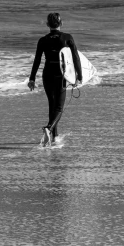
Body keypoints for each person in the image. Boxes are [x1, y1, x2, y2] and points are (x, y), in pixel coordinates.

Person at [28, 12, 82, 146]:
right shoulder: (67, 38)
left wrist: (32, 79)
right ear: (61, 23)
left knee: (52, 105)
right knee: (59, 107)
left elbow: (37, 60)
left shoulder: (43, 40)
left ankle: (54, 137)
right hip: (60, 75)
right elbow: (75, 57)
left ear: (47, 25)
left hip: (47, 75)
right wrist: (79, 76)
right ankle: (49, 128)